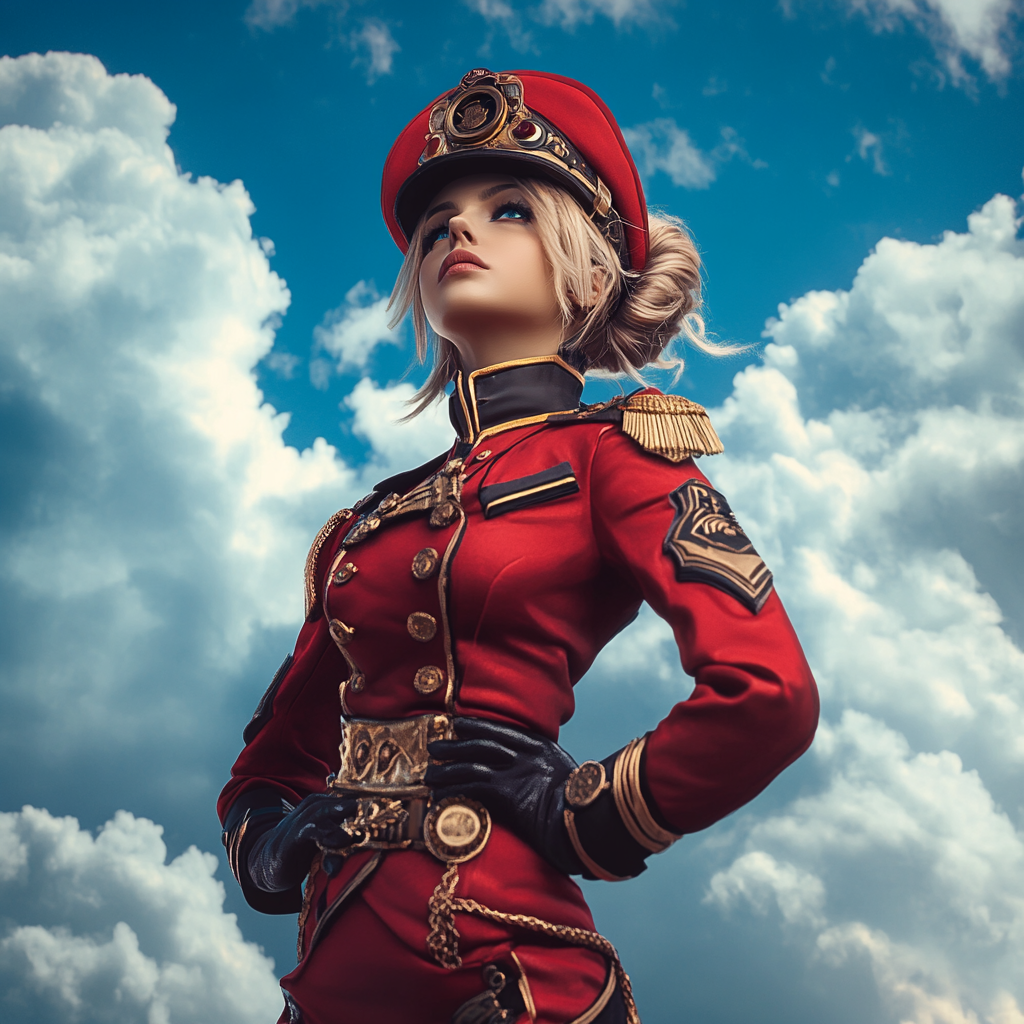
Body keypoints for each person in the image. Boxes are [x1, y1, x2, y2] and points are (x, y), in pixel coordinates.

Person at [219, 68, 818, 1024]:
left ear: (584, 267)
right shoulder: (363, 527)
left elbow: (771, 695)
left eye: (507, 209)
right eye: (434, 225)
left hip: (513, 978)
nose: (457, 229)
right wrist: (269, 844)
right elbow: (268, 762)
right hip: (325, 982)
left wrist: (586, 809)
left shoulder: (617, 456)